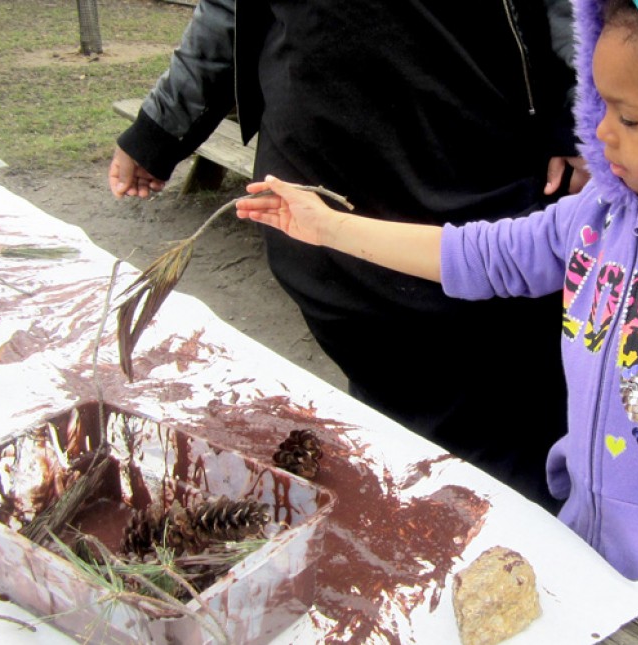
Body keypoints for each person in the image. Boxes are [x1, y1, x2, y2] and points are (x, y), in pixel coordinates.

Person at [234, 0, 638, 642]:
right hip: (596, 545)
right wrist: (328, 227)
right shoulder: (597, 216)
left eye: (628, 117)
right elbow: (472, 254)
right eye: (598, 104)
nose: (600, 133)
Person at [108, 1, 589, 508]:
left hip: (477, 171)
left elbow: (581, 14)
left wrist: (587, 118)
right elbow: (230, 8)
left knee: (505, 422)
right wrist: (159, 129)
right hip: (321, 185)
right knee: (393, 420)